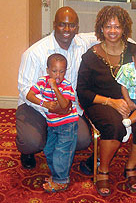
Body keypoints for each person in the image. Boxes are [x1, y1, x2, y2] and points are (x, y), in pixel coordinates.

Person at [77, 6, 136, 197]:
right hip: (101, 103)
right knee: (114, 126)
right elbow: (82, 91)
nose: (112, 31)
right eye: (108, 26)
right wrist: (111, 102)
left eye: (117, 26)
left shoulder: (134, 51)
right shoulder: (91, 56)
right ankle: (103, 169)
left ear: (124, 28)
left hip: (134, 101)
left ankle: (130, 167)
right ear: (101, 28)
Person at [16, 6, 98, 170]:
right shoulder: (35, 52)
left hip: (67, 106)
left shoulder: (82, 43)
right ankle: (30, 148)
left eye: (72, 25)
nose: (67, 29)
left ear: (77, 27)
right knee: (31, 142)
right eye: (62, 24)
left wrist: (131, 44)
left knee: (83, 140)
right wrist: (46, 105)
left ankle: (52, 134)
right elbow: (25, 89)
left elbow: (106, 36)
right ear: (54, 25)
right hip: (37, 106)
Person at [26, 53, 78, 192]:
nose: (58, 75)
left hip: (68, 125)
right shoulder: (42, 81)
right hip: (53, 124)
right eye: (54, 71)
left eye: (62, 71)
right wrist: (45, 103)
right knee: (49, 150)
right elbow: (29, 95)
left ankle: (61, 180)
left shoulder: (66, 85)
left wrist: (55, 88)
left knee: (61, 153)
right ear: (48, 70)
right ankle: (57, 176)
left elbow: (64, 105)